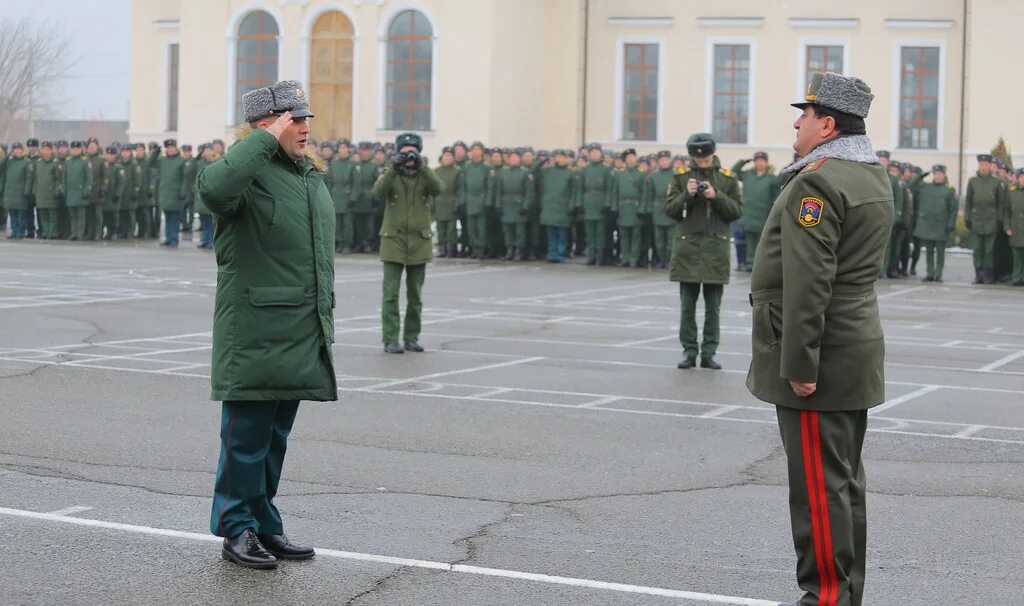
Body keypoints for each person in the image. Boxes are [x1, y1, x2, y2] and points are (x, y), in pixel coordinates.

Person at [747, 72, 893, 606]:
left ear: (827, 125)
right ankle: (844, 593)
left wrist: (800, 363)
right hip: (854, 346)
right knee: (842, 483)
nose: (796, 122)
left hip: (822, 354)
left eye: (804, 115)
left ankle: (826, 597)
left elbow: (810, 282)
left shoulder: (818, 181)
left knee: (816, 489)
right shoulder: (871, 175)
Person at [198, 80, 336, 569]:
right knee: (245, 439)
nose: (304, 127)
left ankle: (263, 522)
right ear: (264, 125)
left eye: (305, 119)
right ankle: (236, 527)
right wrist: (260, 141)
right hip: (255, 330)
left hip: (298, 327)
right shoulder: (246, 175)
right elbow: (213, 189)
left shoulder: (304, 176)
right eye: (292, 119)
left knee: (274, 438)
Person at [665, 133, 741, 370]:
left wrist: (715, 196)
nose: (702, 163)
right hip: (688, 250)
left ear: (713, 155)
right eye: (698, 160)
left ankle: (709, 352)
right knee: (687, 307)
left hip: (715, 250)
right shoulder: (680, 178)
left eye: (706, 159)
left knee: (713, 308)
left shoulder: (728, 179)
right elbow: (670, 210)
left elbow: (736, 211)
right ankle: (689, 351)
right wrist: (686, 196)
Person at [372, 132, 442, 354]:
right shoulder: (390, 173)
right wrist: (394, 167)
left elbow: (439, 189)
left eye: (412, 152)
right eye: (404, 152)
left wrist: (422, 167)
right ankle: (390, 339)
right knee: (390, 294)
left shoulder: (424, 175)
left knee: (416, 295)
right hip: (393, 239)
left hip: (419, 241)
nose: (409, 156)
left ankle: (412, 337)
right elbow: (378, 192)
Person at [965, 154, 1008, 284]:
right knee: (977, 249)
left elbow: (1001, 204)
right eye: (981, 165)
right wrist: (968, 218)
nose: (983, 167)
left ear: (990, 166)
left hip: (991, 221)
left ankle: (988, 275)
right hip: (977, 220)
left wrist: (999, 220)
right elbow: (968, 201)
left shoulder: (997, 182)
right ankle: (978, 275)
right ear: (979, 166)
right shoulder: (973, 181)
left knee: (989, 250)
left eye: (986, 165)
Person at [731, 151, 778, 270]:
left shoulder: (771, 178)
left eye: (762, 160)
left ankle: (758, 265)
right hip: (748, 216)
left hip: (763, 215)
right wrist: (743, 161)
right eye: (757, 160)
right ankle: (749, 264)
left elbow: (775, 194)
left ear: (766, 162)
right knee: (748, 242)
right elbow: (733, 172)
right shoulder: (747, 175)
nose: (760, 162)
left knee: (761, 243)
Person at [911, 165, 958, 282]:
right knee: (929, 251)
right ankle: (930, 273)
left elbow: (953, 209)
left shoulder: (949, 189)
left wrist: (951, 223)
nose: (937, 176)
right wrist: (922, 175)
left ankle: (938, 273)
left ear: (944, 175)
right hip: (928, 223)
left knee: (940, 251)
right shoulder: (926, 187)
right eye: (935, 173)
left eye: (939, 174)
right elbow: (911, 186)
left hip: (941, 224)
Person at [493, 148, 535, 261]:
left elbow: (529, 192)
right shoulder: (503, 172)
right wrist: (498, 204)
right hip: (506, 203)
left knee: (519, 230)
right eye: (512, 157)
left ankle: (518, 251)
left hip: (518, 203)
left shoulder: (525, 172)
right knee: (507, 229)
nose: (514, 160)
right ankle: (509, 250)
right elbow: (498, 191)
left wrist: (525, 206)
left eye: (516, 157)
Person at [538, 149, 577, 263]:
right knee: (551, 234)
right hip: (549, 207)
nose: (558, 159)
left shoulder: (570, 173)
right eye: (556, 156)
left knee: (562, 234)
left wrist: (572, 206)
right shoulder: (548, 171)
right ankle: (552, 253)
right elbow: (533, 171)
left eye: (561, 157)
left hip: (563, 207)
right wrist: (544, 160)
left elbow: (573, 191)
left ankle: (560, 254)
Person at [610, 148, 646, 268]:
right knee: (624, 235)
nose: (631, 159)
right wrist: (614, 207)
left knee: (636, 235)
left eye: (633, 157)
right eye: (628, 158)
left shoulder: (641, 174)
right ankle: (625, 257)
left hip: (635, 208)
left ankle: (633, 259)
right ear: (625, 160)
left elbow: (645, 193)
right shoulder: (619, 174)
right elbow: (614, 192)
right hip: (623, 208)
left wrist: (642, 208)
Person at [579, 143, 613, 265]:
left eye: (596, 152)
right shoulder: (586, 169)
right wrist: (580, 204)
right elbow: (580, 188)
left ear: (600, 154)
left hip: (600, 202)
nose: (594, 154)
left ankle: (600, 256)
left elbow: (609, 188)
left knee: (600, 232)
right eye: (592, 152)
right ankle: (591, 254)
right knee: (589, 232)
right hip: (588, 202)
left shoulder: (606, 170)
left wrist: (607, 203)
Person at [644, 151, 676, 269]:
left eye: (666, 159)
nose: (664, 162)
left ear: (670, 160)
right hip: (658, 208)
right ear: (658, 162)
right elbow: (650, 193)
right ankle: (661, 260)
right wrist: (650, 208)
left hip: (671, 207)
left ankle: (668, 260)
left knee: (670, 238)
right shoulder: (654, 175)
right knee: (659, 238)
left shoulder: (675, 175)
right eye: (662, 160)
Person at [459, 142, 491, 260]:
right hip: (470, 200)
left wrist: (488, 202)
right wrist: (462, 201)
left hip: (481, 200)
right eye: (473, 149)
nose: (476, 152)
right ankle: (473, 248)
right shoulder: (466, 167)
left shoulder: (487, 167)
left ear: (482, 152)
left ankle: (481, 249)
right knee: (471, 227)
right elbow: (463, 186)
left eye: (478, 149)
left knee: (481, 228)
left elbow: (489, 187)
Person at [153, 139, 187, 247]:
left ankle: (174, 239)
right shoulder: (162, 160)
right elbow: (150, 163)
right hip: (165, 194)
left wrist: (183, 191)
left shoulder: (181, 160)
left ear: (175, 148)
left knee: (175, 218)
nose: (170, 149)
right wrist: (156, 152)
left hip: (176, 194)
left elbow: (185, 178)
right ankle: (168, 237)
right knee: (167, 217)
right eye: (168, 148)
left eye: (172, 147)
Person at [31, 142, 62, 240]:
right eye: (43, 149)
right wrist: (34, 190)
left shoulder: (56, 163)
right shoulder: (38, 162)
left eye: (48, 149)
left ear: (51, 150)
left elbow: (59, 178)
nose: (45, 151)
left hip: (51, 193)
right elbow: (35, 178)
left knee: (52, 215)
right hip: (41, 193)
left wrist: (58, 189)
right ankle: (45, 231)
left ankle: (53, 232)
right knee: (43, 215)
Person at [433, 146, 461, 257]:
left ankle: (451, 248)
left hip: (451, 201)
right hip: (439, 201)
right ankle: (442, 247)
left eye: (450, 156)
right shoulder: (436, 171)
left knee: (451, 229)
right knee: (440, 227)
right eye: (445, 155)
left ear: (453, 158)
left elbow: (459, 189)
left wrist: (457, 203)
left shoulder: (457, 171)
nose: (447, 158)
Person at [329, 139, 356, 253]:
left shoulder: (353, 164)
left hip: (347, 195)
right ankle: (338, 242)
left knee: (347, 223)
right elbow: (329, 181)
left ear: (349, 149)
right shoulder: (334, 163)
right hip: (336, 194)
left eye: (345, 148)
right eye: (340, 148)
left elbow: (356, 182)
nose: (342, 150)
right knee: (337, 221)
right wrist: (329, 195)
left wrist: (353, 198)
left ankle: (347, 243)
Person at [63, 141, 93, 241]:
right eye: (73, 149)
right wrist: (64, 189)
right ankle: (73, 233)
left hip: (81, 192)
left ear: (81, 149)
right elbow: (64, 177)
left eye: (77, 148)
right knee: (72, 216)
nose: (75, 150)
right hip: (71, 192)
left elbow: (89, 178)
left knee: (80, 216)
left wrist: (87, 190)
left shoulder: (85, 161)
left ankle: (80, 233)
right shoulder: (68, 161)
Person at [2, 143, 32, 239]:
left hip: (21, 192)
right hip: (10, 192)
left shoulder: (27, 161)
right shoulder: (9, 161)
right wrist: (7, 156)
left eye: (19, 149)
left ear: (22, 150)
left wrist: (27, 189)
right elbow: (1, 165)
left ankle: (20, 232)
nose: (17, 151)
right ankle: (14, 231)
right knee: (13, 214)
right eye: (15, 149)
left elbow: (29, 177)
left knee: (21, 215)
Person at [1006, 169, 1024, 285]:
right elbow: (1006, 212)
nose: (1023, 180)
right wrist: (1007, 227)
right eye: (1021, 177)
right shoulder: (1011, 192)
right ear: (1017, 179)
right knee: (1016, 256)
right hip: (1015, 229)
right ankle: (1017, 278)